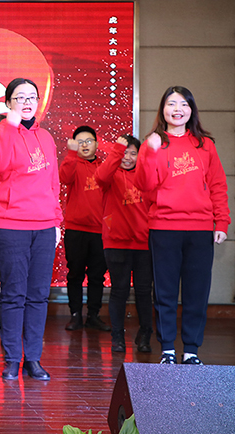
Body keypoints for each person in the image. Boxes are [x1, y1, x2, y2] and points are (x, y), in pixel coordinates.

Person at [134, 86, 230, 365]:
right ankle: (167, 349)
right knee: (164, 292)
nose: (178, 109)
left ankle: (191, 350)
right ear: (162, 109)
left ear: (191, 110)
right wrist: (149, 153)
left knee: (196, 292)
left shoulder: (205, 145)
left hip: (200, 228)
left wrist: (221, 221)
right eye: (171, 104)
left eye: (184, 104)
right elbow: (144, 185)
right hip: (164, 227)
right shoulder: (153, 143)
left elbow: (218, 185)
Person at [0, 78, 62, 381]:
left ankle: (33, 359)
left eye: (32, 97)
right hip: (9, 224)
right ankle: (12, 359)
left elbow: (53, 183)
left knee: (39, 295)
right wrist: (9, 126)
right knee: (14, 294)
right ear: (8, 103)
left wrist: (56, 221)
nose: (27, 102)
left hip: (43, 225)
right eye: (20, 97)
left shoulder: (46, 137)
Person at [94, 135, 153, 353]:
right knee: (119, 291)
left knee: (144, 292)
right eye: (124, 152)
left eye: (132, 153)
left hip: (144, 243)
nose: (127, 157)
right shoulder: (110, 174)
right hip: (116, 243)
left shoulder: (146, 175)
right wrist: (117, 150)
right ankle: (117, 337)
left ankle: (145, 335)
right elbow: (100, 176)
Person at [59, 126, 110, 332]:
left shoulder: (104, 167)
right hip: (76, 230)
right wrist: (71, 154)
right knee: (75, 274)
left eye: (89, 141)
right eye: (80, 142)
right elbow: (64, 178)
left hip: (100, 231)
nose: (85, 145)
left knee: (97, 276)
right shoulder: (72, 163)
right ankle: (75, 315)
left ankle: (94, 315)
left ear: (96, 144)